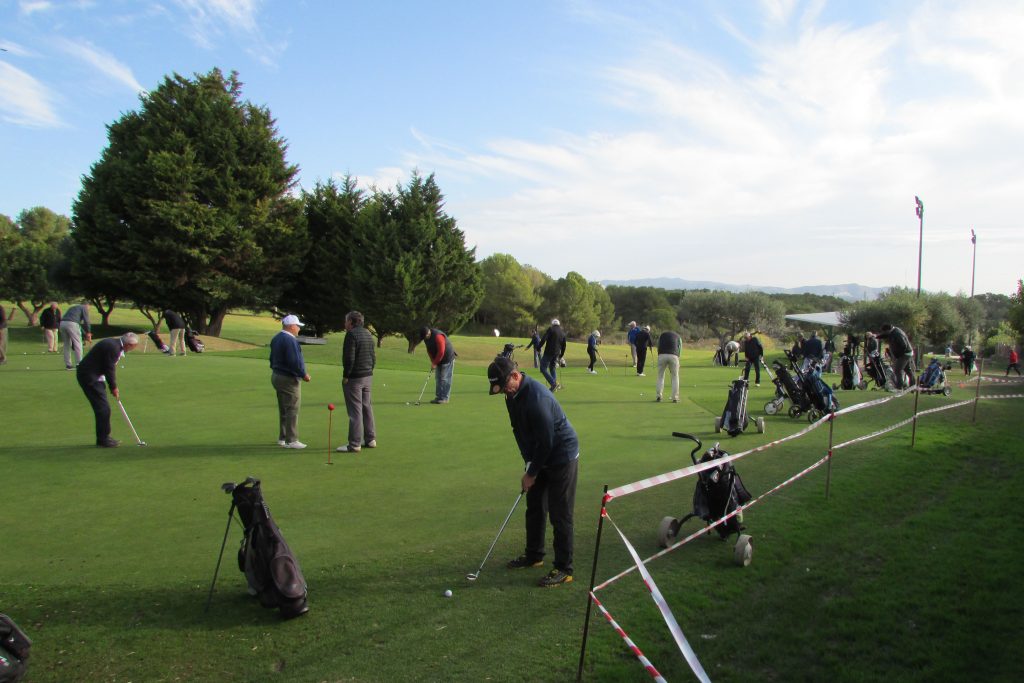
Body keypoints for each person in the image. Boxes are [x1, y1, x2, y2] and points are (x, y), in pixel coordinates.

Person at [487, 355, 579, 587]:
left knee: (560, 513)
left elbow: (547, 442)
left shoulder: (537, 399)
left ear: (515, 376)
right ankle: (534, 555)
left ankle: (564, 568)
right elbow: (518, 430)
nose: (505, 392)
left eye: (505, 386)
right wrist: (529, 464)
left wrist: (532, 472)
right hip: (540, 452)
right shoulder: (511, 396)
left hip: (562, 455)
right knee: (535, 506)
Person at [76, 332, 139, 447]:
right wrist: (113, 387)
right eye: (134, 346)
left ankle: (104, 437)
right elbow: (109, 368)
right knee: (103, 408)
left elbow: (106, 366)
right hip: (89, 377)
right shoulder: (113, 348)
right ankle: (103, 440)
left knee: (103, 408)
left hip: (94, 375)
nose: (133, 348)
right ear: (129, 345)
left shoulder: (114, 344)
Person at [336, 310, 376, 453]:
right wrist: (370, 369)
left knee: (355, 411)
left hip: (355, 377)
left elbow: (349, 358)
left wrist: (346, 375)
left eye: (346, 321)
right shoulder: (368, 333)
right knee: (366, 407)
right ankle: (370, 439)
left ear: (351, 322)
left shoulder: (351, 335)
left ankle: (354, 444)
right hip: (368, 375)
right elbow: (373, 356)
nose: (345, 323)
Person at [270, 314, 311, 449]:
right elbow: (294, 362)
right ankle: (292, 440)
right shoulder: (290, 340)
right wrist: (304, 374)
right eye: (297, 326)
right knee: (292, 408)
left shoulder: (276, 338)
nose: (299, 328)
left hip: (277, 375)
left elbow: (271, 359)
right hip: (288, 379)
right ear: (292, 326)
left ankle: (283, 438)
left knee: (284, 408)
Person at [420, 326, 457, 403]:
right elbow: (429, 350)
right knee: (438, 378)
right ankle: (439, 397)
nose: (425, 338)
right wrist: (432, 362)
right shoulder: (426, 339)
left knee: (444, 378)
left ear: (428, 332)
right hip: (438, 358)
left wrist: (435, 363)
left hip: (447, 358)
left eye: (426, 336)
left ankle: (444, 398)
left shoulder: (438, 336)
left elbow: (441, 352)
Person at [878, 324, 915, 389]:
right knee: (907, 370)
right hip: (905, 353)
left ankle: (899, 387)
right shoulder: (893, 331)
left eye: (884, 331)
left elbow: (904, 345)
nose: (884, 333)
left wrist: (897, 355)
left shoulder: (898, 334)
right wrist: (877, 337)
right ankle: (912, 386)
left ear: (888, 330)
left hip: (905, 353)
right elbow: (885, 335)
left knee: (898, 370)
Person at [60, 302, 92, 369]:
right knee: (78, 343)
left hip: (62, 323)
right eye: (89, 308)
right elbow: (86, 321)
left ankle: (68, 365)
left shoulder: (73, 307)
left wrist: (85, 334)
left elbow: (77, 325)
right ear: (87, 305)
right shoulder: (84, 308)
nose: (88, 310)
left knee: (66, 344)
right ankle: (79, 363)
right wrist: (88, 332)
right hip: (72, 324)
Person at [655, 329, 682, 402]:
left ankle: (659, 396)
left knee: (660, 376)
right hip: (674, 356)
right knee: (675, 376)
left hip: (662, 355)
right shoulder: (678, 336)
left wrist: (659, 355)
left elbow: (658, 346)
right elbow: (680, 348)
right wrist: (678, 357)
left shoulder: (662, 335)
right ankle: (675, 397)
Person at [539, 318, 566, 391]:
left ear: (552, 324)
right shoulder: (562, 333)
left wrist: (538, 347)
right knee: (552, 368)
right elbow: (564, 346)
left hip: (548, 352)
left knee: (543, 368)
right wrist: (561, 355)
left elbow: (543, 339)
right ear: (559, 324)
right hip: (556, 353)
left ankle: (553, 383)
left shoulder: (551, 329)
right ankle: (554, 386)